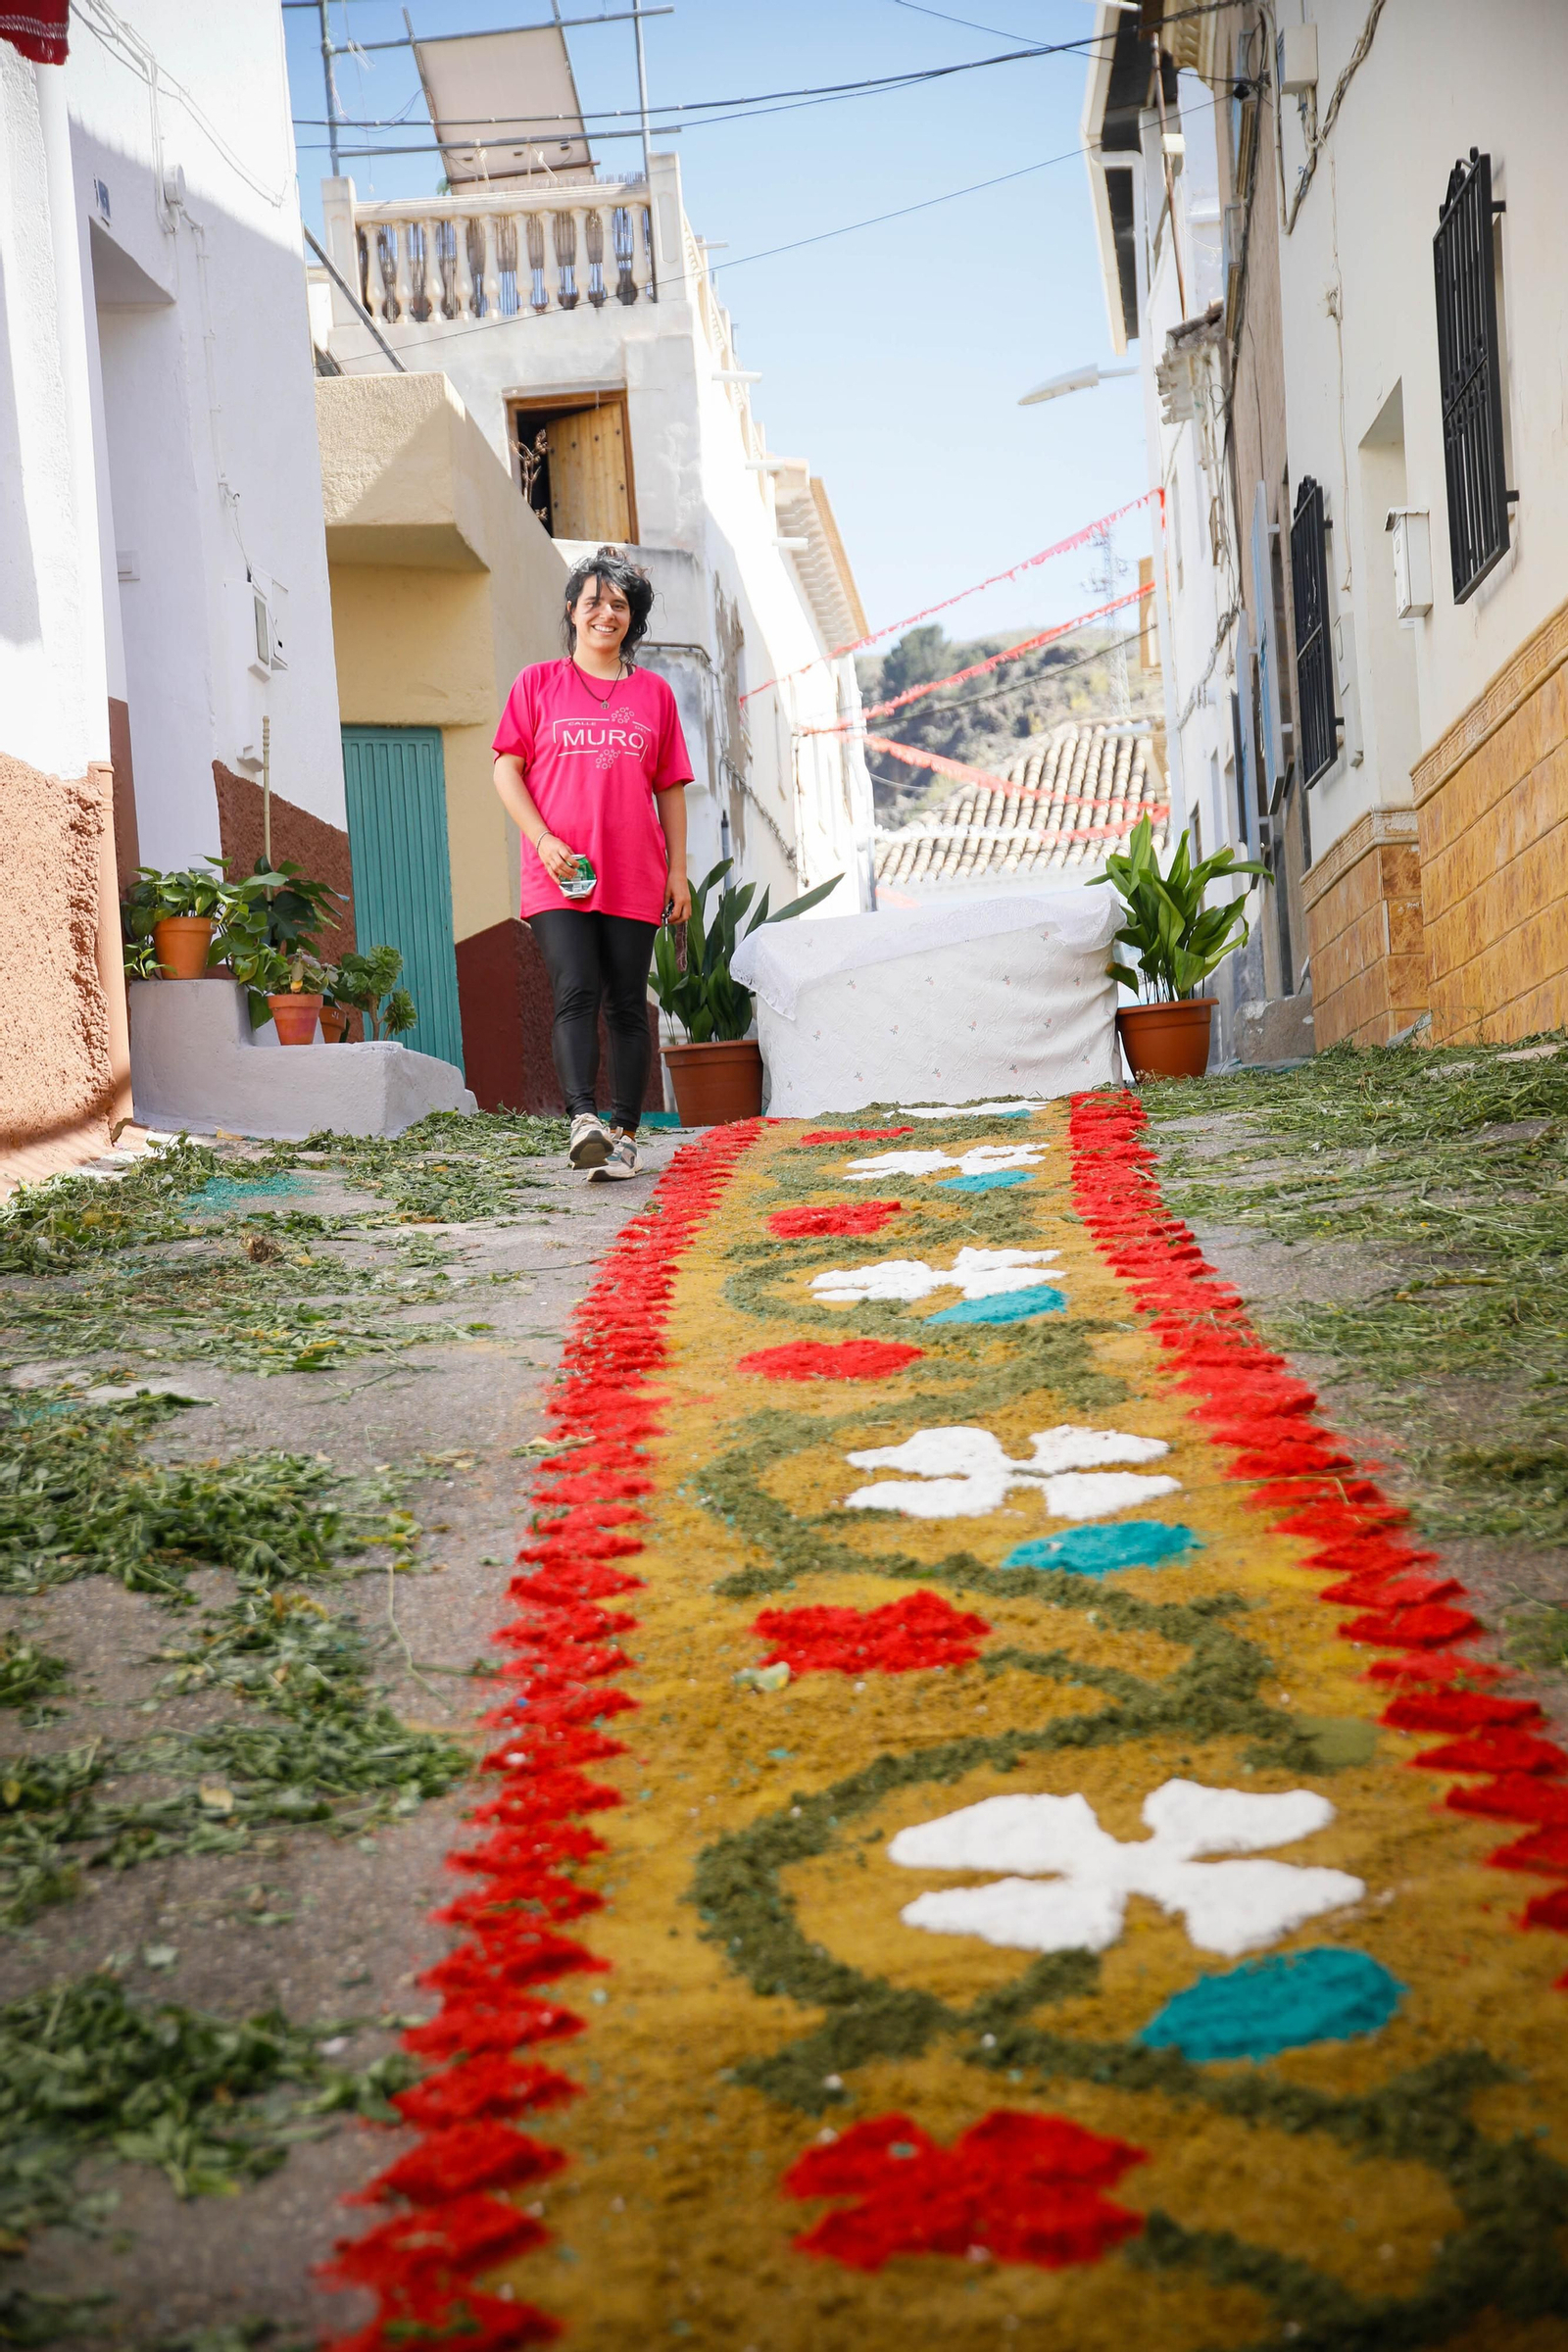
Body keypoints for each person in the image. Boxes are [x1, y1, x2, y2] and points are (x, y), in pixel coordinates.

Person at [492, 547, 693, 1179]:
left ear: (631, 620)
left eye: (620, 605)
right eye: (594, 601)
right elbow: (507, 768)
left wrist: (678, 870)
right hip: (560, 872)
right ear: (572, 611)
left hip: (635, 870)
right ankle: (584, 1122)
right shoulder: (537, 684)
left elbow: (670, 788)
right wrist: (542, 839)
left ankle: (627, 1135)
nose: (607, 613)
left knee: (628, 1003)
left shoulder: (655, 695)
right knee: (574, 989)